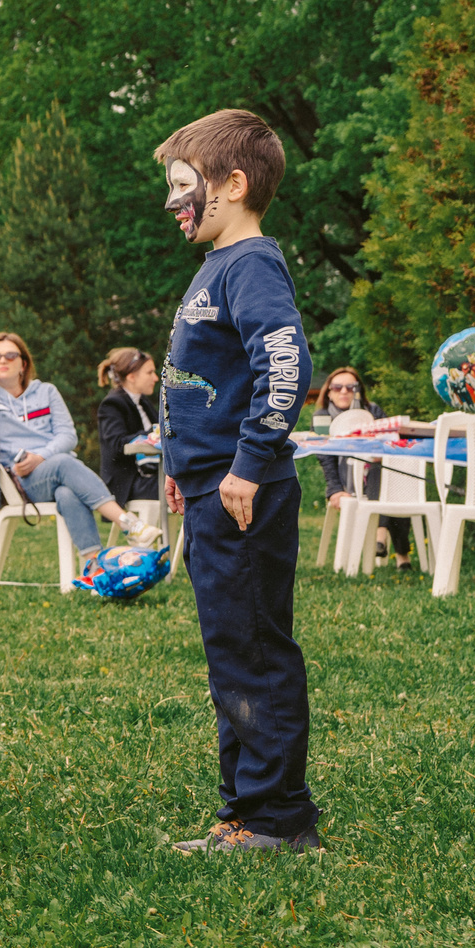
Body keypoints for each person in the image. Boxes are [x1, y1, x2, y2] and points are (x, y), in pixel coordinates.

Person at [156, 108, 320, 853]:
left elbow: (285, 364)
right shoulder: (215, 266)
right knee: (232, 650)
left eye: (184, 185)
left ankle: (276, 820)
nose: (173, 202)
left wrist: (248, 465)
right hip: (209, 490)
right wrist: (176, 467)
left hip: (241, 493)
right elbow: (199, 381)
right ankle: (245, 810)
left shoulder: (250, 262)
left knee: (253, 650)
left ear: (234, 183)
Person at [0, 332, 165, 573]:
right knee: (62, 463)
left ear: (24, 363)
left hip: (55, 470)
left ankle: (95, 568)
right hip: (20, 481)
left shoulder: (46, 392)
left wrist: (40, 457)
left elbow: (68, 436)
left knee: (66, 491)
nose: (2, 361)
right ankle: (128, 523)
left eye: (10, 355)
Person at [311, 366, 413, 569]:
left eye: (351, 387)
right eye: (337, 387)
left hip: (377, 474)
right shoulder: (322, 418)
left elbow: (390, 445)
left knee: (387, 475)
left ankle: (384, 540)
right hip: (347, 481)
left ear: (359, 391)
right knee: (389, 486)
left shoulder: (372, 411)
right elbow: (326, 458)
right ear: (329, 391)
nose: (344, 391)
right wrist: (335, 489)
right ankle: (397, 551)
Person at [93, 347, 161, 509]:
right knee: (183, 487)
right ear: (131, 377)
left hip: (147, 476)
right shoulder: (112, 404)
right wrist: (153, 434)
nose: (156, 378)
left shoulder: (143, 402)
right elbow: (117, 444)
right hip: (127, 483)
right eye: (150, 372)